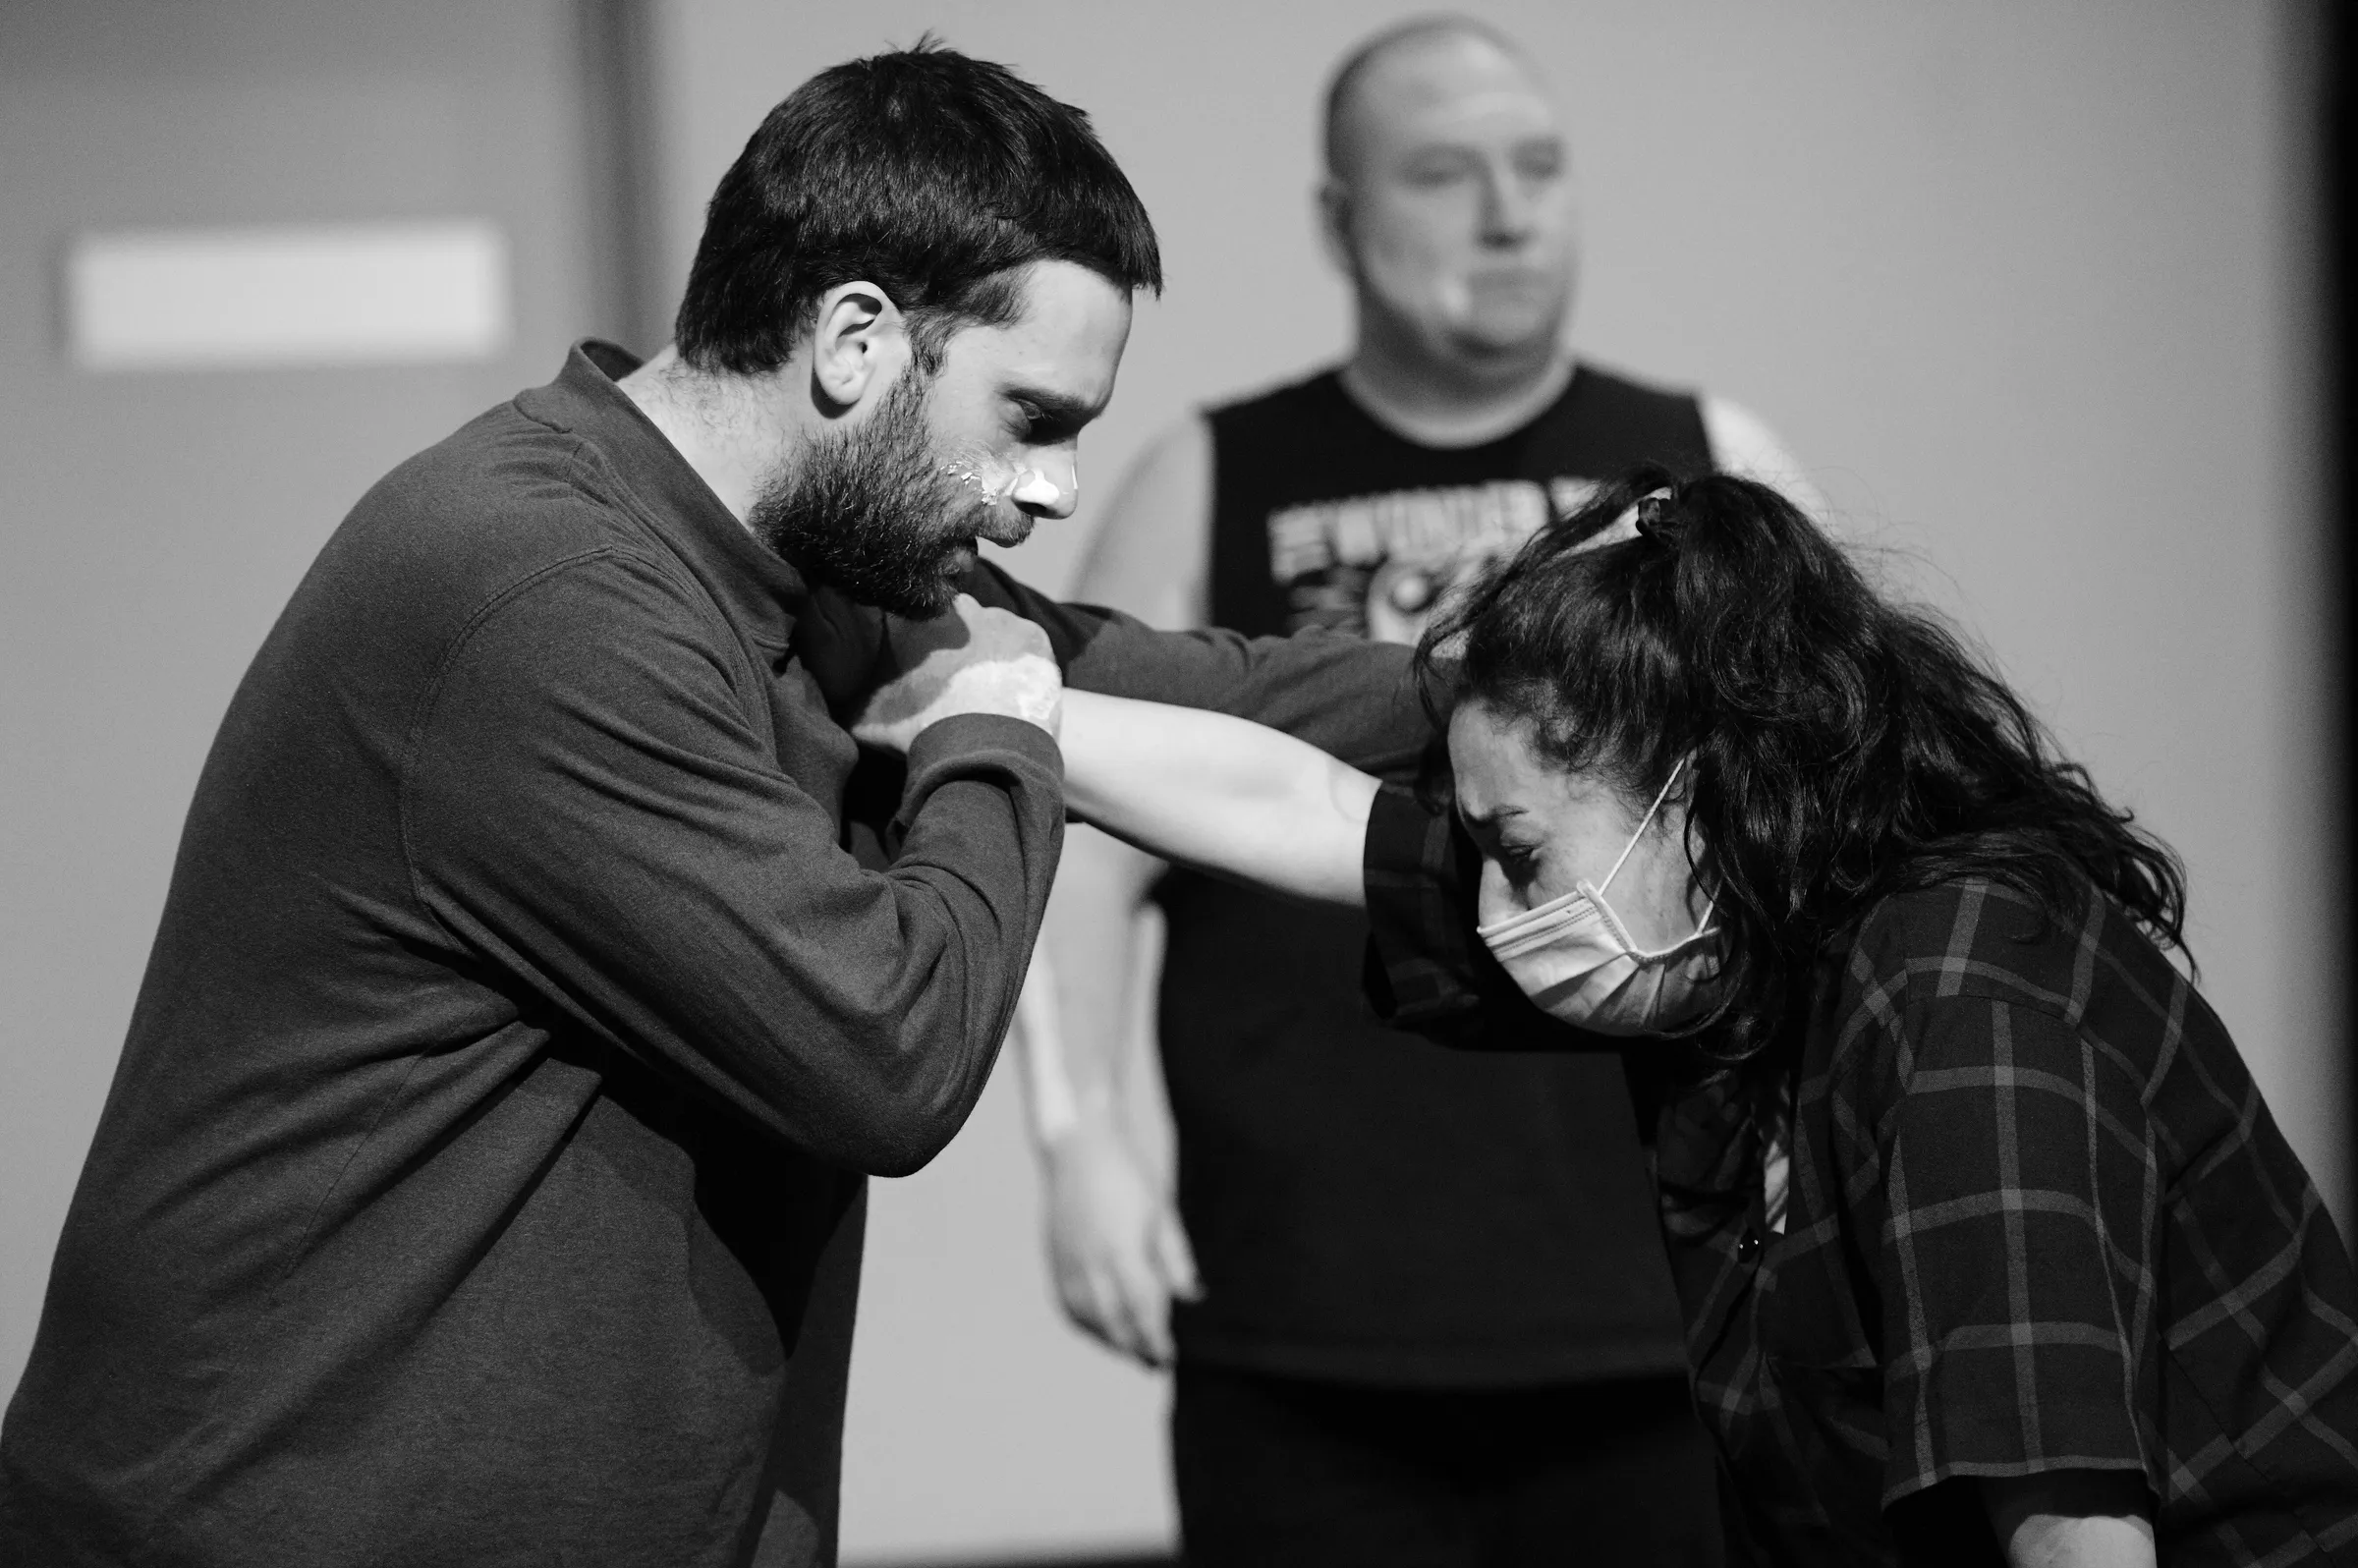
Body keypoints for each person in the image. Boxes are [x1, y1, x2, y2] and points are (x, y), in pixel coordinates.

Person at [0, 44, 1422, 1568]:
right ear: (857, 340)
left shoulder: (823, 562)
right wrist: (997, 732)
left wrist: (1528, 683)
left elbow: (1187, 683)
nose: (1058, 487)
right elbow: (890, 1049)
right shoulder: (543, 594)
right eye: (1031, 416)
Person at [957, 471, 2358, 1566]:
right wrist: (986, 711)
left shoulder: (1964, 1008)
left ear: (1697, 795)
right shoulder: (1721, 946)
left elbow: (2070, 1538)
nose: (1496, 911)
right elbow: (1311, 809)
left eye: (1516, 856)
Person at [1032, 16, 1810, 1564]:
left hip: (1662, 1311)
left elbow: (1824, 821)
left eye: (1540, 168)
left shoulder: (1708, 464)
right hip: (1304, 1332)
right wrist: (1079, 1143)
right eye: (1447, 174)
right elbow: (1076, 828)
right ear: (1341, 221)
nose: (1509, 215)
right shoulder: (1207, 474)